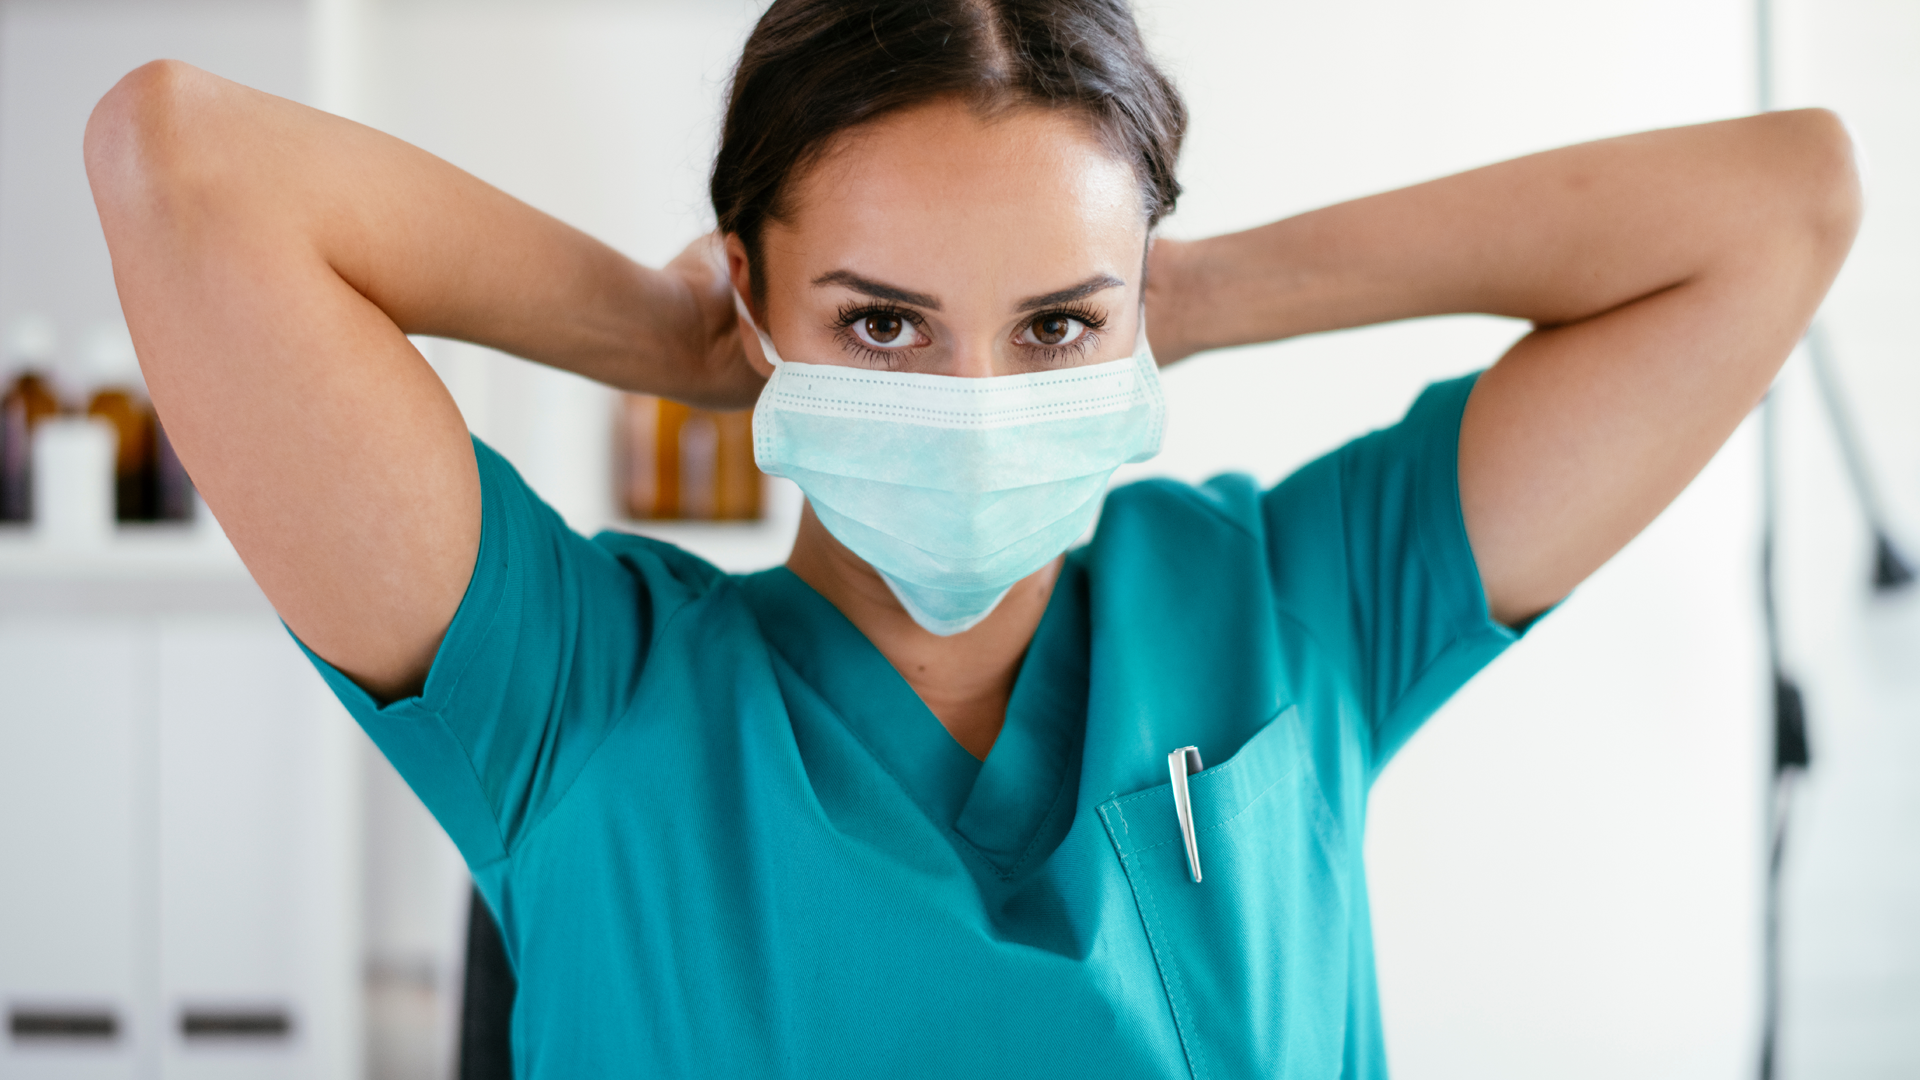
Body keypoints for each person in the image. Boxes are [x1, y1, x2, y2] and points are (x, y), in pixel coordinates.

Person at [84, 0, 1858, 1076]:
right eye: (882, 324)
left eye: (1056, 323)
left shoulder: (1289, 609)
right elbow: (185, 162)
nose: (978, 401)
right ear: (756, 293)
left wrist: (1199, 293)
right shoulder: (572, 698)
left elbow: (1784, 206)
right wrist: (659, 331)